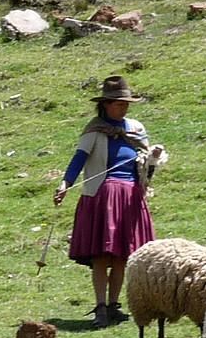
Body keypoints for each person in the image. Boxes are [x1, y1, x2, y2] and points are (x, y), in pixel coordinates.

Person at [53, 75, 158, 325]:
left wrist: (153, 159)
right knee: (101, 254)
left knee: (122, 254)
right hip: (103, 194)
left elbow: (146, 166)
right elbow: (79, 159)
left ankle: (113, 305)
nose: (124, 107)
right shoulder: (94, 130)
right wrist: (65, 183)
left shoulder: (136, 129)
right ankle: (100, 306)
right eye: (119, 103)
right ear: (106, 105)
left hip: (131, 195)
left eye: (126, 103)